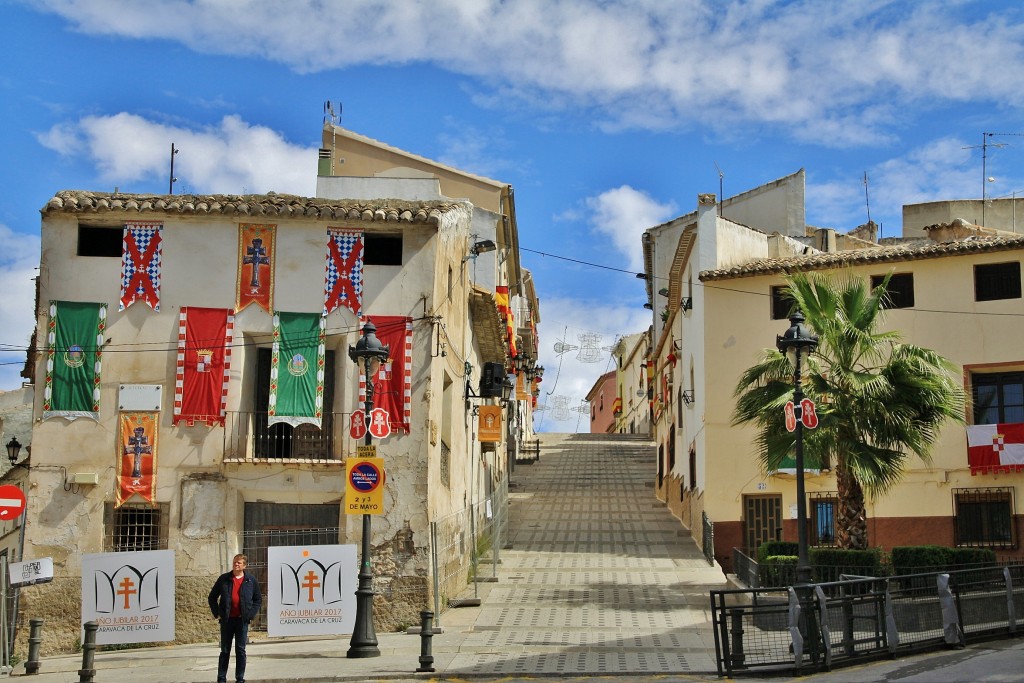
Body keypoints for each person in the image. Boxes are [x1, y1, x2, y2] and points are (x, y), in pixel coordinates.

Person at [208, 554, 262, 683]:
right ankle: (221, 678)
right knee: (225, 650)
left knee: (240, 650)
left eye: (239, 563)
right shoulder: (224, 579)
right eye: (234, 562)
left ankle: (240, 678)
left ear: (244, 565)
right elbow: (212, 597)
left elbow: (258, 599)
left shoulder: (250, 580)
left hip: (241, 621)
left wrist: (250, 615)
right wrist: (218, 613)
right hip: (227, 621)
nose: (236, 564)